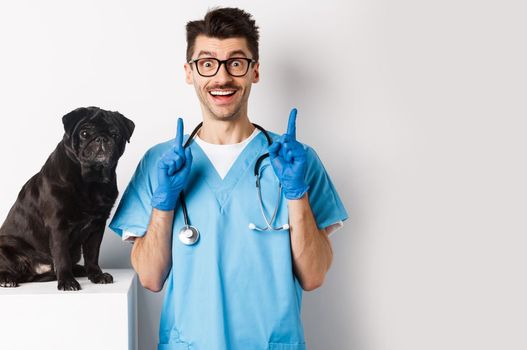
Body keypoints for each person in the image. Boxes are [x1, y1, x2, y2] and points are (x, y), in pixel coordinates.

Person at [109, 7, 348, 350]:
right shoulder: (161, 163)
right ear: (189, 72)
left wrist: (296, 193)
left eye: (236, 63)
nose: (222, 78)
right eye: (207, 63)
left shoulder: (296, 159)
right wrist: (163, 205)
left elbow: (314, 276)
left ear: (255, 71)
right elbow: (150, 278)